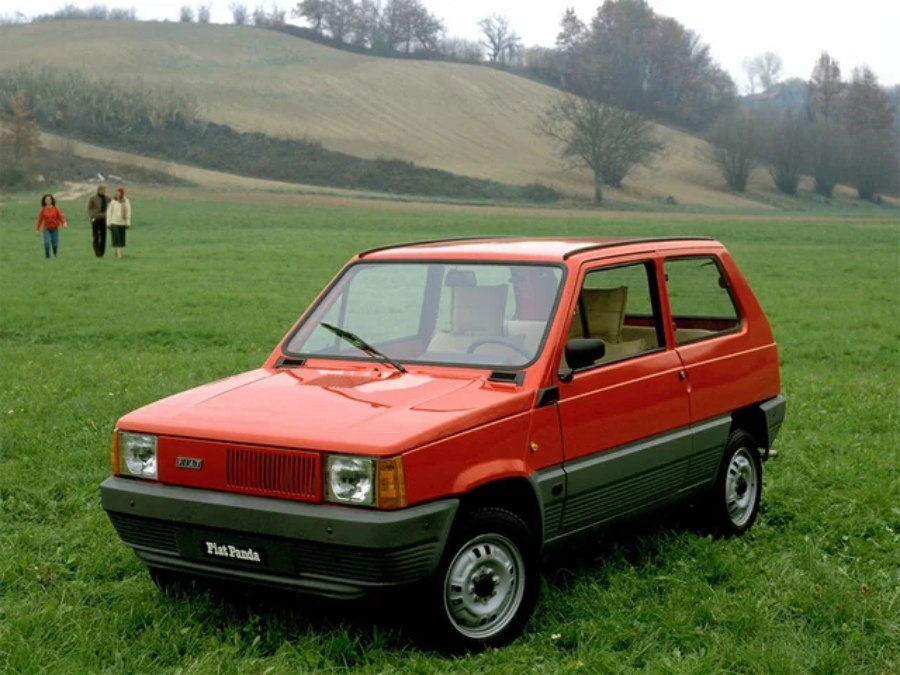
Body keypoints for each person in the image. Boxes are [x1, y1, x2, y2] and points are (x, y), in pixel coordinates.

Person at [35, 193, 67, 259]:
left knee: (55, 244)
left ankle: (55, 254)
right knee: (47, 242)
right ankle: (47, 257)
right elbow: (40, 220)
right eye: (46, 199)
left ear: (52, 200)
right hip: (46, 229)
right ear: (44, 201)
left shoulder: (56, 209)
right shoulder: (43, 210)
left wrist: (64, 223)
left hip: (55, 228)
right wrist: (37, 229)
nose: (48, 201)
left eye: (49, 199)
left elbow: (60, 217)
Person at [106, 186, 131, 259]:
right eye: (117, 192)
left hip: (122, 223)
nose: (117, 194)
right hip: (114, 222)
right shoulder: (113, 201)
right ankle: (120, 256)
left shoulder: (126, 201)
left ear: (122, 193)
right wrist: (108, 223)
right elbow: (109, 212)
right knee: (116, 238)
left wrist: (128, 223)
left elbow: (128, 212)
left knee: (120, 239)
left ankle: (116, 254)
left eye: (119, 192)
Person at [87, 184, 109, 257]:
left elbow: (114, 200)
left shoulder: (106, 198)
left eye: (105, 190)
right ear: (99, 190)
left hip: (104, 218)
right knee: (96, 236)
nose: (104, 191)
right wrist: (92, 217)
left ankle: (102, 252)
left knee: (103, 236)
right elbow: (89, 208)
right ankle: (97, 253)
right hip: (96, 218)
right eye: (102, 190)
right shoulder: (93, 198)